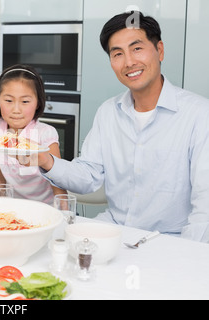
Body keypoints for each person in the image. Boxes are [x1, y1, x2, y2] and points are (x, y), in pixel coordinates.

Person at [22, 11, 209, 242]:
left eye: (137, 48)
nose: (129, 62)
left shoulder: (199, 114)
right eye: (117, 53)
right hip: (113, 229)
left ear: (159, 50)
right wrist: (45, 160)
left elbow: (205, 204)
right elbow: (88, 175)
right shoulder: (108, 112)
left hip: (169, 239)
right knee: (52, 250)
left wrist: (191, 256)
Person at [0, 64, 67, 205]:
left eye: (25, 102)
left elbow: (58, 185)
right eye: (9, 101)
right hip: (14, 210)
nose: (16, 109)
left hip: (45, 210)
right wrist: (0, 211)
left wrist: (65, 216)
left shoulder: (45, 134)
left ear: (38, 104)